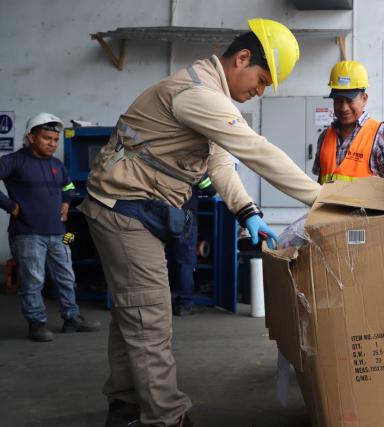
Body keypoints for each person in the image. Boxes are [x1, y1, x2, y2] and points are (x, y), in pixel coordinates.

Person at [78, 19, 321, 427]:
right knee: (150, 318)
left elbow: (219, 161)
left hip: (137, 208)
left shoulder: (207, 94)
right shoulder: (195, 94)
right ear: (242, 58)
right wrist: (324, 198)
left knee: (132, 315)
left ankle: (123, 406)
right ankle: (166, 417)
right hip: (124, 210)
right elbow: (255, 150)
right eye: (261, 80)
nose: (259, 91)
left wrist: (248, 212)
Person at [0, 113, 101, 342]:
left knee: (66, 276)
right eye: (46, 138)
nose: (52, 144)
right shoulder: (15, 161)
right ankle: (36, 323)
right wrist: (10, 206)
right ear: (31, 137)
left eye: (55, 140)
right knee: (33, 280)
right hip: (27, 234)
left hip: (59, 234)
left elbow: (70, 187)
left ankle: (71, 318)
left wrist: (66, 203)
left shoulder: (57, 165)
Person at [312, 60, 384, 183]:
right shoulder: (324, 136)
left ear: (364, 99)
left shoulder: (381, 133)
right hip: (328, 203)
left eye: (350, 100)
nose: (344, 108)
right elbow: (320, 180)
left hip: (366, 203)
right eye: (338, 100)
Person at [167, 175, 216, 316]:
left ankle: (160, 302)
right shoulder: (192, 162)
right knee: (185, 261)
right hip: (185, 215)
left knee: (162, 259)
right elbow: (210, 190)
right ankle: (184, 304)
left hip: (159, 213)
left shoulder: (156, 156)